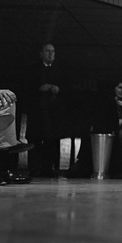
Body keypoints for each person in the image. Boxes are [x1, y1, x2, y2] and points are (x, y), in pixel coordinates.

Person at [25, 42, 70, 177]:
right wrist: (40, 88)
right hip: (38, 112)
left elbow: (67, 90)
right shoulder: (33, 70)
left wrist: (58, 89)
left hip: (54, 113)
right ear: (41, 54)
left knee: (52, 140)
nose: (50, 54)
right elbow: (26, 89)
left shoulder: (61, 70)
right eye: (47, 51)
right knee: (35, 140)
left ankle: (50, 168)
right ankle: (34, 168)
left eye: (52, 51)